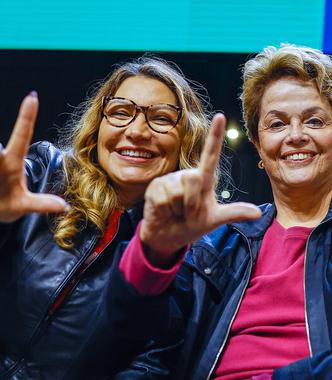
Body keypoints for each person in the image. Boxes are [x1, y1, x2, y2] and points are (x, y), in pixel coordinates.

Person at [109, 44, 332, 379]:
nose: (296, 136)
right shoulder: (218, 242)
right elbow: (150, 353)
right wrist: (152, 254)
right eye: (276, 124)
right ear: (259, 145)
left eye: (314, 121)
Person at [0, 56, 217, 378]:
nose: (137, 131)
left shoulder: (183, 248)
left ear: (187, 139)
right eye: (120, 113)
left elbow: (152, 363)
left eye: (161, 118)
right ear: (97, 126)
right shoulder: (44, 173)